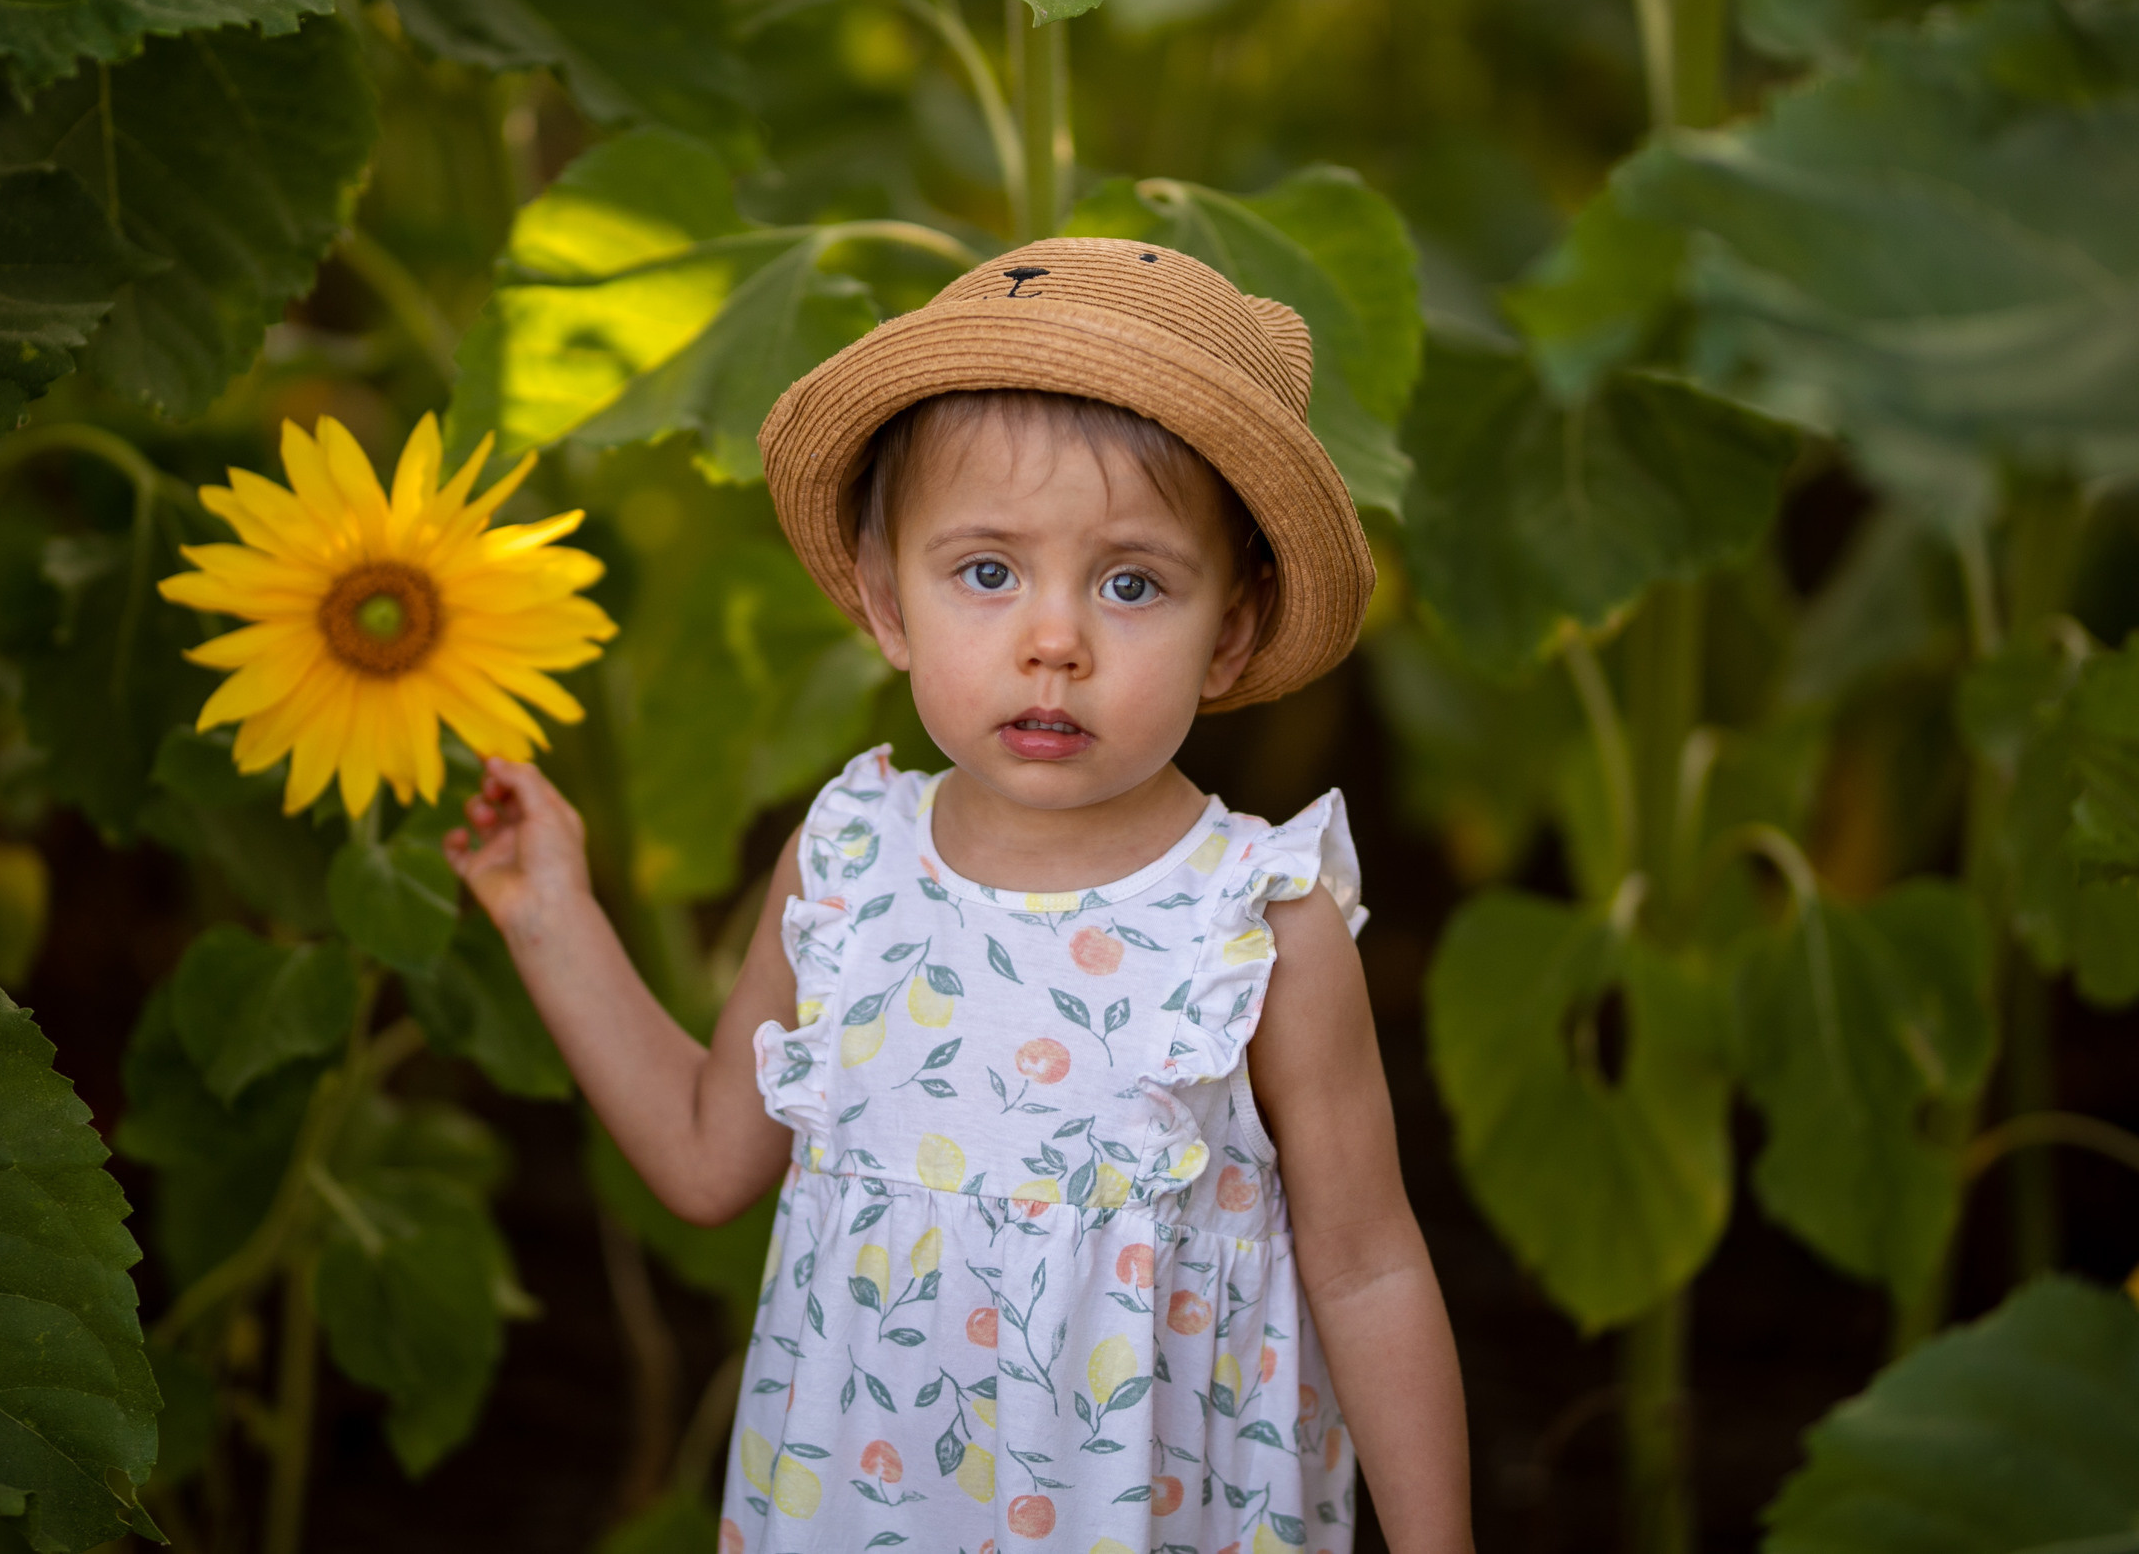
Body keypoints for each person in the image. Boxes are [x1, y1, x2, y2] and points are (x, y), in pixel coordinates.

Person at [445, 240, 1473, 1554]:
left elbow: (1368, 1261)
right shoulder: (850, 862)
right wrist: (550, 914)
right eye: (987, 573)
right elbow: (710, 1161)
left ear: (1230, 629)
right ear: (888, 604)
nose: (1056, 639)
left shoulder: (1257, 925)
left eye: (1132, 583)